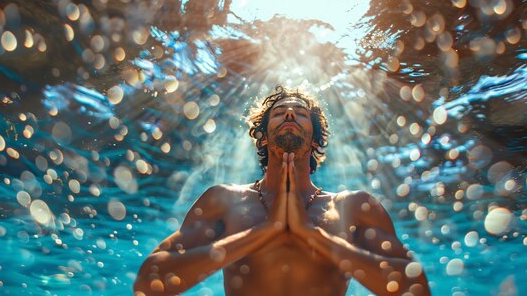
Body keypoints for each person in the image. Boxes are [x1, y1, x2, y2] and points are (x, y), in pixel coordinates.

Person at [134, 85, 431, 296]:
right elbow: (149, 282)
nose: (289, 115)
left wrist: (311, 234)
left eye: (300, 113)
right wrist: (264, 231)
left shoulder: (353, 206)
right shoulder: (223, 200)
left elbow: (416, 289)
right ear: (262, 139)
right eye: (279, 113)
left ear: (316, 141)